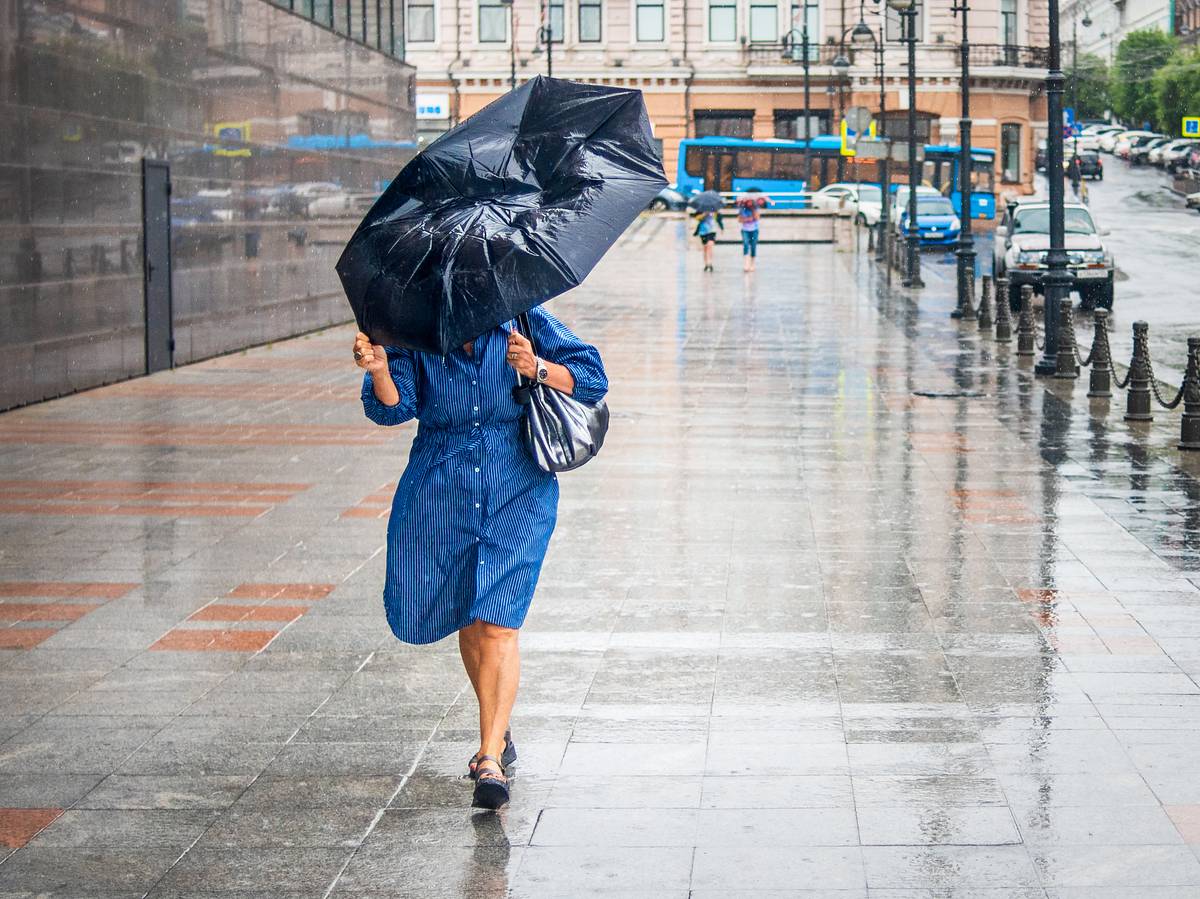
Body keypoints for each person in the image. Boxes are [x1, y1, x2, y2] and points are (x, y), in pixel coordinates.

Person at [352, 309, 607, 810]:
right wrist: (380, 368)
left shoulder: (523, 319)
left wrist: (536, 366)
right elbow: (392, 410)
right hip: (439, 491)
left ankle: (489, 757)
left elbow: (592, 379)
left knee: (497, 622)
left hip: (519, 486)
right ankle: (499, 722)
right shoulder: (412, 329)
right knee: (472, 615)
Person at [737, 198, 761, 272]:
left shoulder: (755, 208)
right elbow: (739, 220)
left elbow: (757, 218)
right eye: (748, 202)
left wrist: (753, 210)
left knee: (753, 246)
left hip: (754, 230)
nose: (749, 203)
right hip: (745, 230)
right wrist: (747, 219)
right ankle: (746, 264)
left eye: (751, 202)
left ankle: (752, 264)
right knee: (746, 245)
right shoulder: (742, 209)